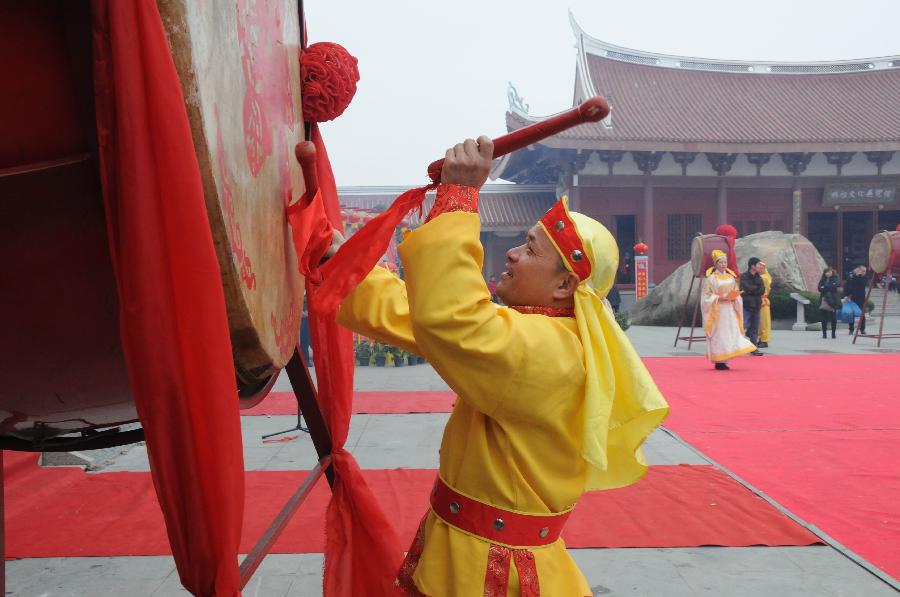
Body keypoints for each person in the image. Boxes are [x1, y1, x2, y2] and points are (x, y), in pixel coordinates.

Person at [333, 136, 669, 595]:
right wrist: (343, 263)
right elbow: (423, 321)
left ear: (564, 285)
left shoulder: (547, 350)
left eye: (530, 250)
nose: (512, 253)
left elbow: (451, 322)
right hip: (469, 546)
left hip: (493, 570)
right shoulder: (535, 334)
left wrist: (459, 196)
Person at [701, 250, 757, 370]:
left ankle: (725, 359)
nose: (723, 264)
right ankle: (719, 361)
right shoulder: (711, 278)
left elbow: (735, 291)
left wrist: (735, 297)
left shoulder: (731, 278)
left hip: (729, 309)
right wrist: (718, 298)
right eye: (721, 262)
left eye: (725, 262)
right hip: (718, 310)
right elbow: (706, 296)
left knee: (730, 332)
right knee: (720, 334)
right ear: (715, 264)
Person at [739, 257, 766, 355]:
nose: (760, 266)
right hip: (746, 305)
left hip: (757, 305)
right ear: (752, 266)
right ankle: (738, 346)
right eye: (758, 264)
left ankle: (753, 348)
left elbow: (762, 290)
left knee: (755, 328)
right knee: (743, 326)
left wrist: (753, 290)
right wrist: (755, 289)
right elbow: (747, 288)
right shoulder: (744, 276)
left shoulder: (759, 277)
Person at [844, 265, 868, 335]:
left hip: (861, 298)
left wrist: (859, 276)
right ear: (858, 270)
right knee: (851, 314)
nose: (864, 272)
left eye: (865, 271)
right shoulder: (851, 276)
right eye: (863, 271)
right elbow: (847, 285)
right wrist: (846, 295)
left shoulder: (863, 277)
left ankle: (862, 329)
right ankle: (851, 329)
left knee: (862, 314)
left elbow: (863, 284)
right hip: (851, 297)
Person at [818, 266, 840, 339]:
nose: (828, 273)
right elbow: (819, 288)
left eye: (829, 272)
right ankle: (824, 333)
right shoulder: (823, 279)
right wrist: (827, 287)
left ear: (832, 272)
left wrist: (825, 287)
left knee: (833, 318)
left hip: (833, 300)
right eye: (826, 272)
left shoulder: (835, 278)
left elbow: (835, 286)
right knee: (824, 318)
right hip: (824, 299)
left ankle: (833, 333)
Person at [757, 261, 773, 348]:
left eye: (761, 268)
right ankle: (760, 339)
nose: (759, 269)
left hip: (763, 301)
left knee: (764, 322)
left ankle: (764, 340)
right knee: (759, 322)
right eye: (758, 267)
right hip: (757, 301)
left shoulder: (765, 278)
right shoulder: (760, 277)